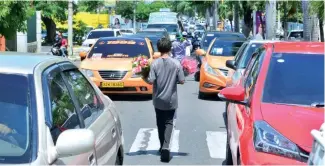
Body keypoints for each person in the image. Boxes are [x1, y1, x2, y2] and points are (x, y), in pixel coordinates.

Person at [148, 37, 185, 163]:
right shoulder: (176, 63)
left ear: (158, 49)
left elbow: (151, 80)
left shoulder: (154, 64)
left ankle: (161, 146)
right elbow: (182, 80)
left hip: (158, 99)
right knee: (169, 122)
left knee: (160, 122)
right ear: (170, 49)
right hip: (171, 99)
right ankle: (165, 146)